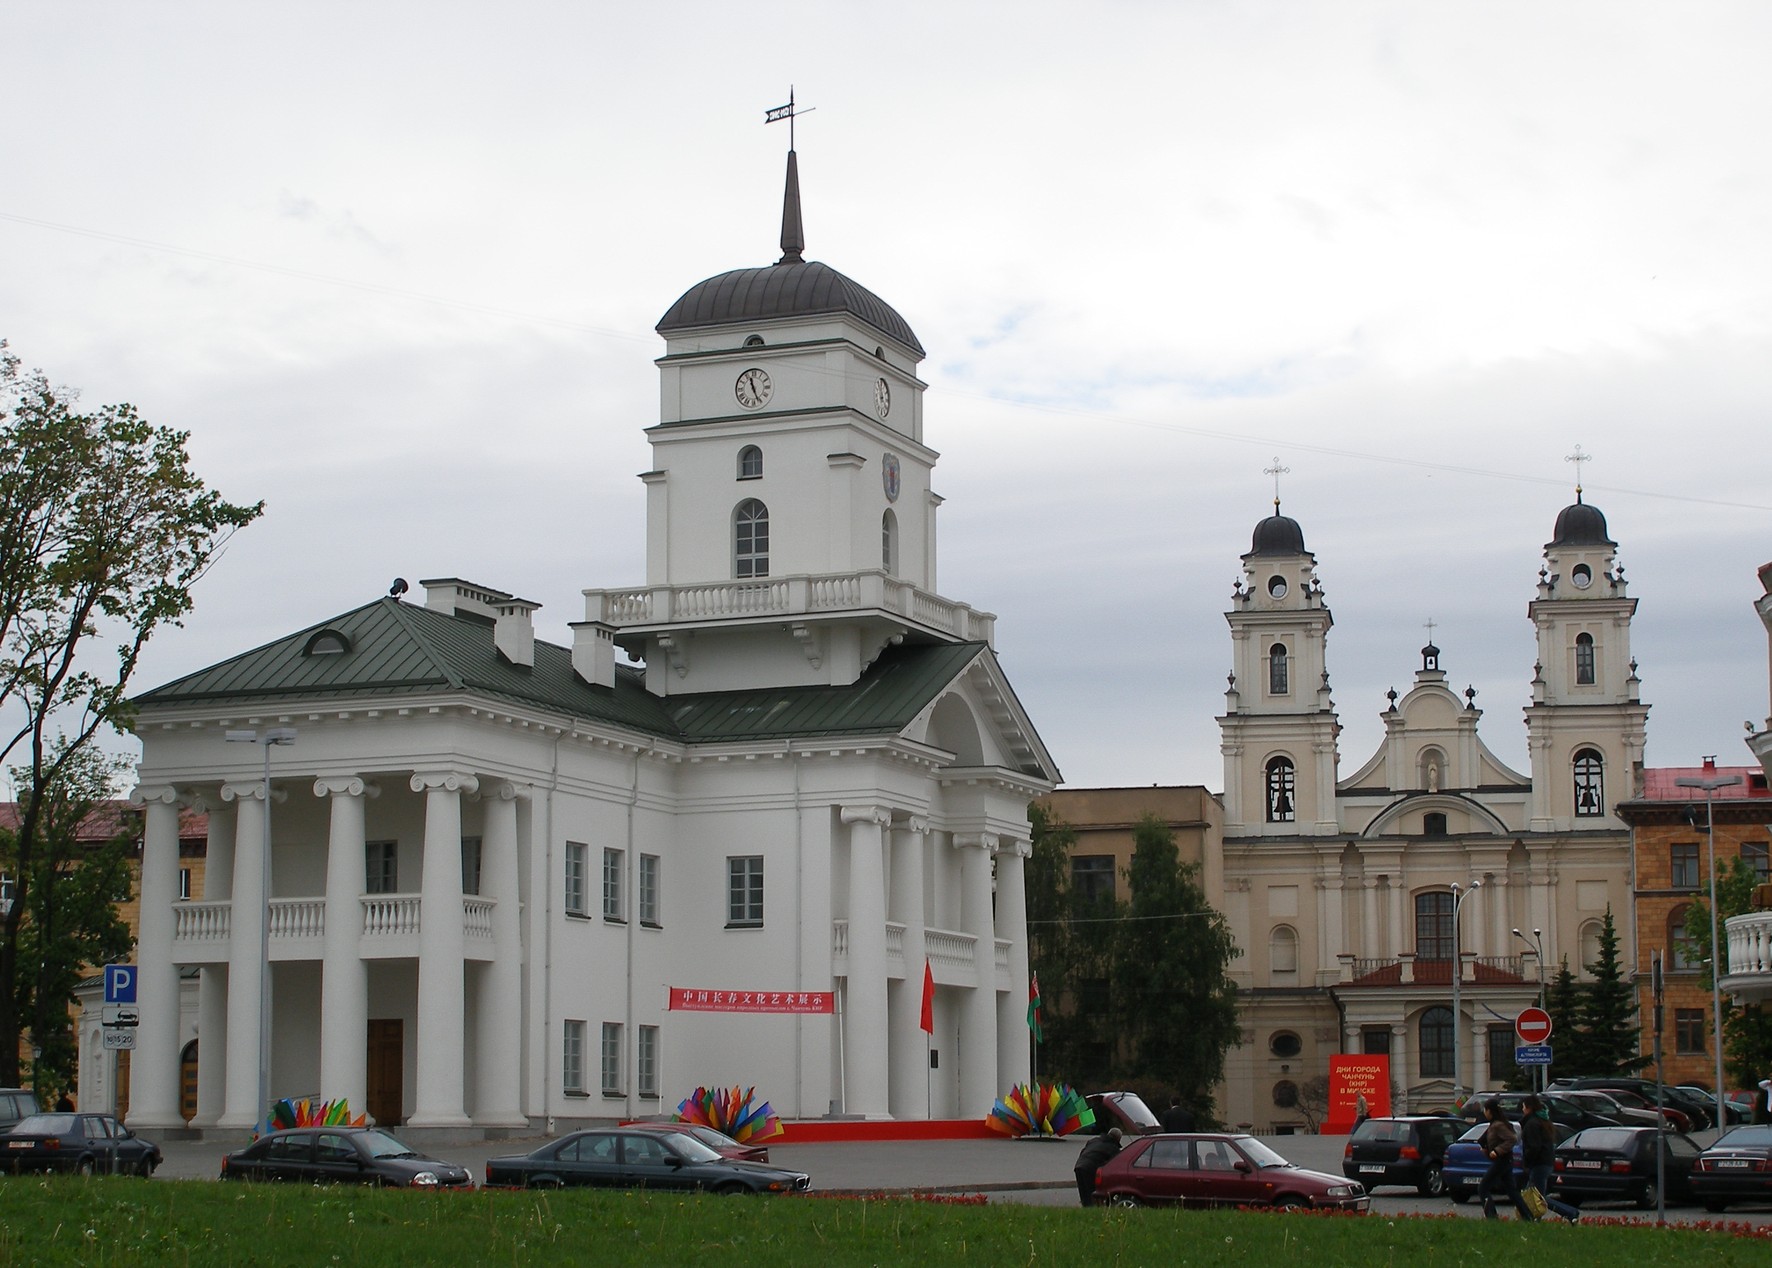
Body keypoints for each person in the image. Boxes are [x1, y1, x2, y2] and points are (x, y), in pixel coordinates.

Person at [1519, 1095, 1580, 1223]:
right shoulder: (1543, 1121)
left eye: (1523, 1107)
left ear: (1529, 1108)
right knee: (1533, 1194)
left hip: (1538, 1164)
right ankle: (1533, 1218)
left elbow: (1534, 1147)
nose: (1522, 1110)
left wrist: (1527, 1162)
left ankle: (1569, 1212)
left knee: (1538, 1197)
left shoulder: (1532, 1124)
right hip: (1545, 1162)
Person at [1476, 1099, 1529, 1220]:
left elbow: (1512, 1139)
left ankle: (1491, 1216)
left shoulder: (1498, 1125)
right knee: (1512, 1191)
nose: (1484, 1112)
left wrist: (1497, 1150)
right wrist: (1487, 1150)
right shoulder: (1494, 1124)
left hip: (1502, 1160)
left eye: (1485, 1110)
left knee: (1483, 1187)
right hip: (1505, 1161)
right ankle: (1528, 1216)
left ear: (1489, 1111)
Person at [1074, 1127, 1124, 1206]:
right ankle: (1090, 1209)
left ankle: (1086, 1207)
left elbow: (1084, 1151)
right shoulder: (1113, 1148)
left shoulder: (1094, 1140)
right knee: (1091, 1192)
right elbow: (1114, 1163)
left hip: (1079, 1165)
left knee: (1083, 1192)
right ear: (1118, 1139)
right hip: (1090, 1169)